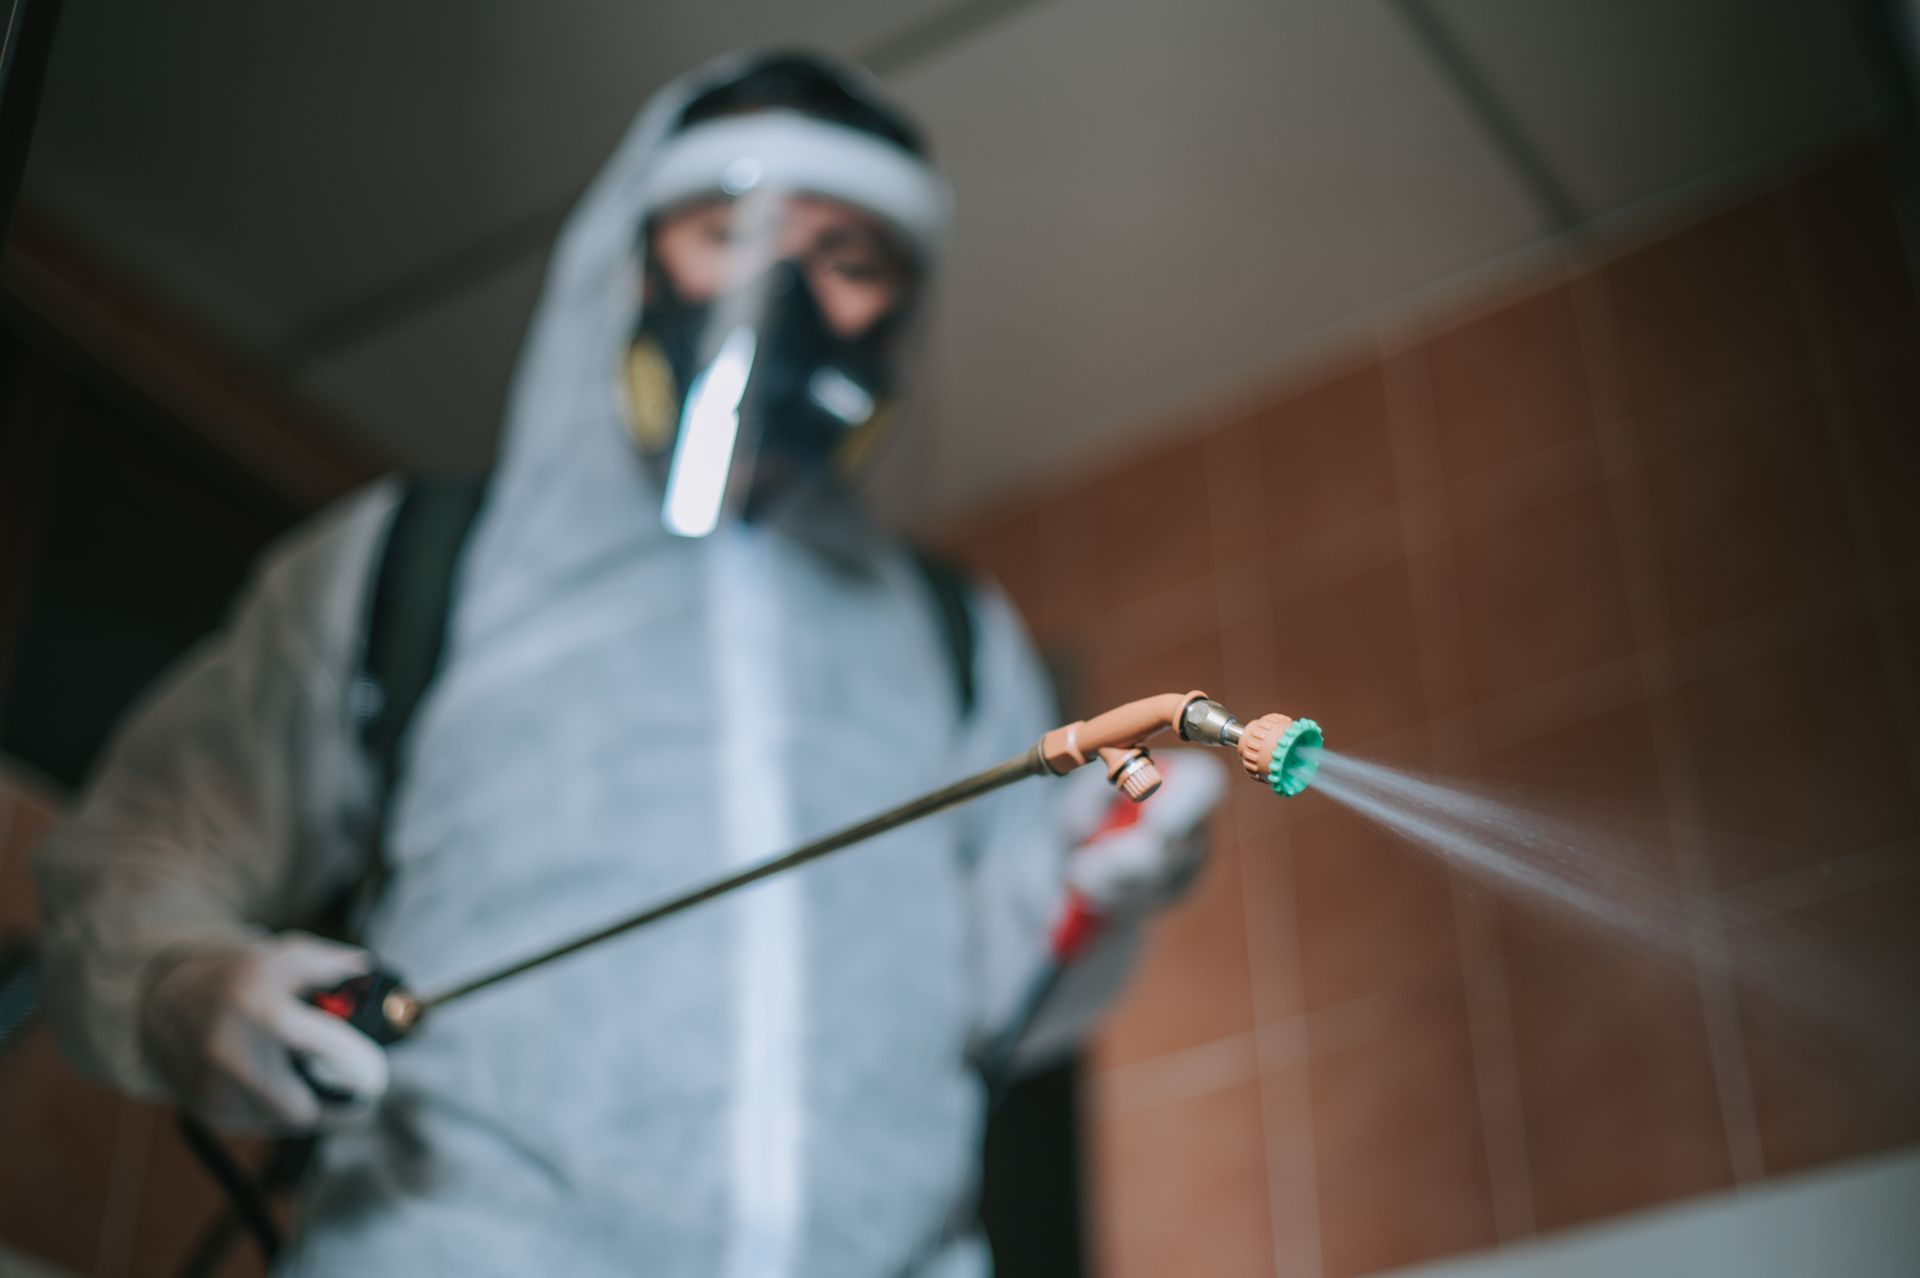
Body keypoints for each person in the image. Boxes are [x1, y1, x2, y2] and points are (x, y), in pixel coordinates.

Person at [35, 49, 1221, 1275]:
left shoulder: (951, 636)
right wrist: (182, 986)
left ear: (902, 318)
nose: (788, 294)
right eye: (734, 230)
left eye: (851, 259)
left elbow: (970, 1007)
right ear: (633, 257)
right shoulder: (417, 563)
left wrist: (1087, 882)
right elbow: (141, 847)